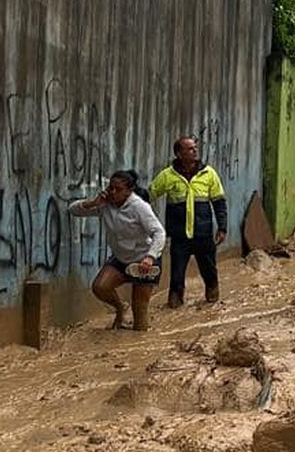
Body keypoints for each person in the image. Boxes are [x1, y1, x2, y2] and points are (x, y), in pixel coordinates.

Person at [68, 170, 166, 331]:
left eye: (118, 189)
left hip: (144, 261)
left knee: (140, 323)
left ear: (129, 191)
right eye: (111, 188)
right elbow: (73, 210)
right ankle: (120, 309)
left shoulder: (139, 207)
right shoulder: (104, 205)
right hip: (120, 259)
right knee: (100, 287)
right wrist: (93, 203)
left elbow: (159, 233)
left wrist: (150, 257)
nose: (113, 192)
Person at [150, 136, 228, 308]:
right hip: (180, 236)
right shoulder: (167, 176)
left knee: (209, 271)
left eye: (195, 148)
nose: (195, 151)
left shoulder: (209, 173)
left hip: (203, 234)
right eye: (190, 149)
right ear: (179, 153)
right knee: (176, 276)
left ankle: (212, 299)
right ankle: (175, 304)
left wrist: (222, 227)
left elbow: (219, 202)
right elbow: (149, 195)